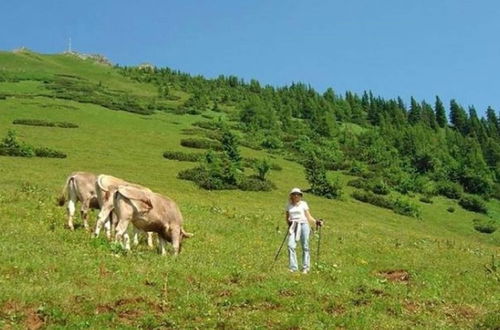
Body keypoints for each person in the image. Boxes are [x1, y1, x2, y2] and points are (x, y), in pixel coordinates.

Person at [284, 187, 323, 273]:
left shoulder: (303, 204)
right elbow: (287, 217)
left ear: (300, 196)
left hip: (304, 224)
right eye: (294, 194)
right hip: (293, 225)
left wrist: (316, 222)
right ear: (292, 195)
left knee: (305, 245)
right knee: (290, 245)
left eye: (298, 194)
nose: (296, 195)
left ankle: (305, 267)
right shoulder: (288, 205)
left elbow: (308, 216)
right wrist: (289, 223)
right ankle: (293, 268)